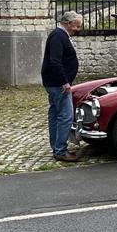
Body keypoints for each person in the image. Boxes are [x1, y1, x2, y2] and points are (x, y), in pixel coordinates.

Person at [42, 11, 83, 162]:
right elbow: (55, 61)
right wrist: (64, 81)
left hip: (53, 82)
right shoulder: (59, 36)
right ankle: (60, 150)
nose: (77, 29)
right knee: (65, 116)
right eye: (76, 26)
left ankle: (56, 148)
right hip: (58, 83)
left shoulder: (59, 35)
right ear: (68, 23)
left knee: (55, 115)